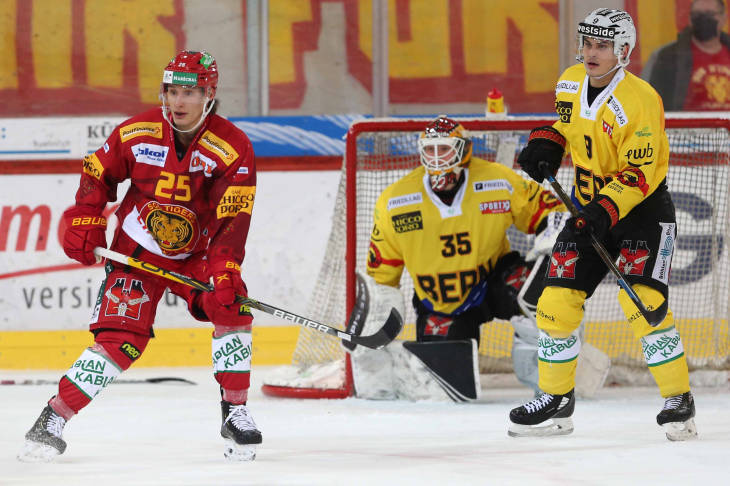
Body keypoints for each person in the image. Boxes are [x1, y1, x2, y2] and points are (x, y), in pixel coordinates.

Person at [17, 50, 262, 462]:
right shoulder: (138, 131)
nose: (178, 101)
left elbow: (233, 218)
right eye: (171, 91)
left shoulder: (232, 147)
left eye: (189, 93)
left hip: (196, 256)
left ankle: (235, 411)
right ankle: (52, 417)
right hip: (136, 251)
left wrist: (225, 269)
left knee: (232, 306)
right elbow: (97, 171)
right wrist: (86, 216)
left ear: (209, 94)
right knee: (120, 341)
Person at [509, 8, 697, 441]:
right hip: (590, 210)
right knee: (555, 304)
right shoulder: (570, 81)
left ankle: (679, 401)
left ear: (624, 51)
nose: (591, 52)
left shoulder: (641, 100)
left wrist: (601, 209)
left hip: (642, 214)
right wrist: (548, 142)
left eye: (603, 45)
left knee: (644, 303)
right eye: (587, 43)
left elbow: (639, 174)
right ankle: (556, 401)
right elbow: (568, 125)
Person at [349, 116, 570, 401]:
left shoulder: (497, 180)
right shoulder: (395, 201)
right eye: (430, 150)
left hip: (494, 282)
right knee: (446, 390)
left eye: (444, 148)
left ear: (463, 149)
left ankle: (554, 374)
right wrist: (372, 332)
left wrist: (551, 238)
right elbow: (381, 279)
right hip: (441, 302)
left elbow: (551, 212)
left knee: (544, 285)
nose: (437, 157)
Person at [642, 0, 730, 111]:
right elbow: (646, 99)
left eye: (709, 14)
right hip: (685, 122)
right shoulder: (667, 57)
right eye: (697, 14)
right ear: (689, 19)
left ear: (724, 18)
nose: (703, 19)